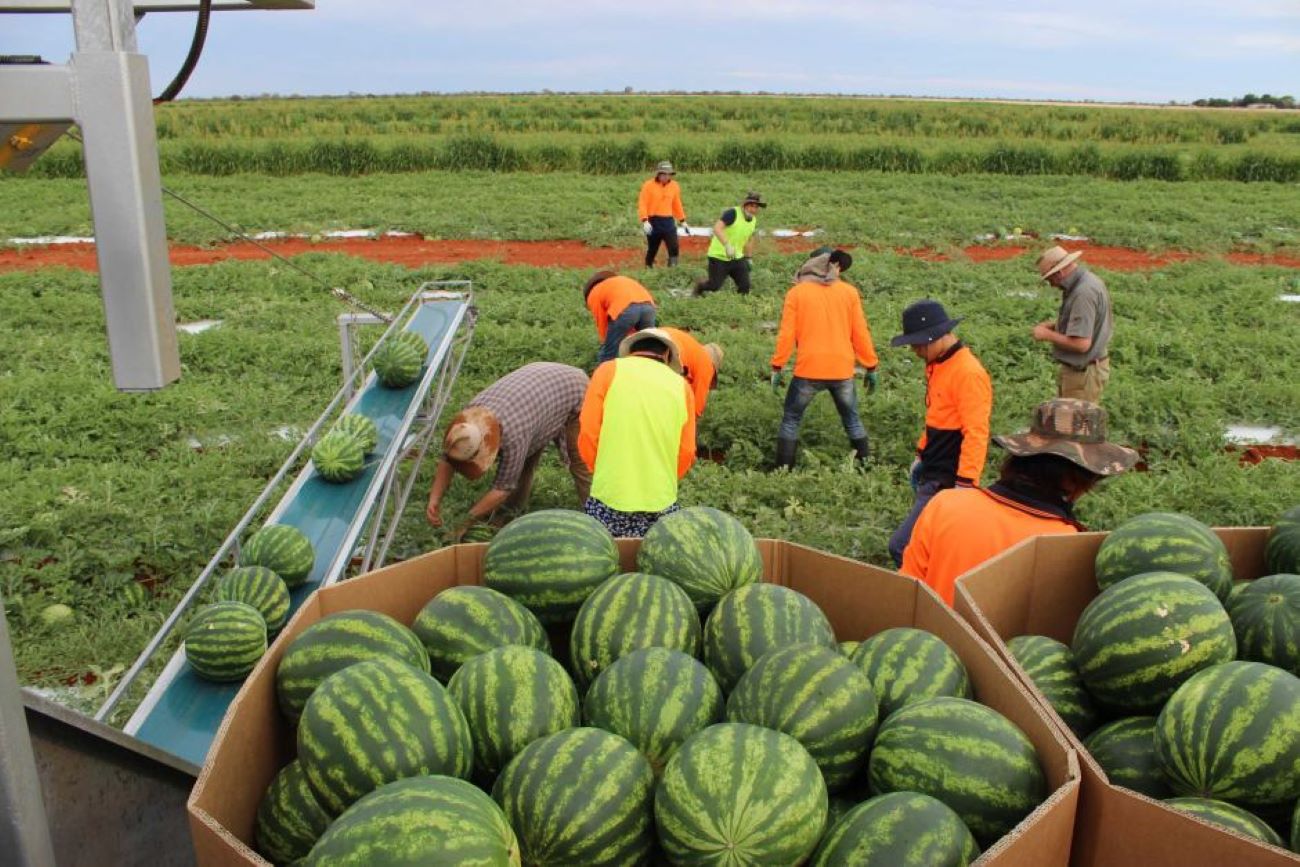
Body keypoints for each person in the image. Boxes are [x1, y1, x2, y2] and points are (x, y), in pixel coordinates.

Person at [900, 398, 1138, 605]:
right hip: (1001, 658)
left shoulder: (946, 504)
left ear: (1019, 459)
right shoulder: (1065, 545)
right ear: (1077, 480)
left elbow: (906, 592)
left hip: (929, 650)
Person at [426, 362, 592, 538]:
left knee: (581, 462)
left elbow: (502, 488)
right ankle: (511, 512)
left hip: (573, 389)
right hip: (537, 393)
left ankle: (597, 519)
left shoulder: (513, 436)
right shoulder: (467, 421)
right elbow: (448, 459)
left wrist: (466, 521)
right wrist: (434, 499)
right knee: (523, 462)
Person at [887, 299, 993, 566]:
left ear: (935, 337)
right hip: (933, 470)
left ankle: (928, 596)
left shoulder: (968, 373)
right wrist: (921, 453)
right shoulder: (940, 364)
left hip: (947, 478)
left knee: (902, 547)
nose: (914, 351)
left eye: (917, 344)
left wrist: (965, 484)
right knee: (930, 545)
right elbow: (937, 415)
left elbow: (976, 432)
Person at [578, 328, 696, 537]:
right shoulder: (682, 386)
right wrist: (664, 477)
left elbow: (588, 432)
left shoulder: (608, 371)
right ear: (667, 355)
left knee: (605, 556)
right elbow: (686, 451)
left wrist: (602, 470)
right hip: (660, 498)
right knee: (652, 560)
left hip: (611, 493)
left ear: (631, 351)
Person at [769, 247, 879, 469]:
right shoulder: (849, 293)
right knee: (853, 421)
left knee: (791, 420)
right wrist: (871, 365)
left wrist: (777, 366)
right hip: (842, 369)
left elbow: (786, 334)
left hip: (809, 369)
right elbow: (860, 332)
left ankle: (782, 472)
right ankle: (867, 470)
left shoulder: (797, 293)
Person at [1032, 245, 1114, 403]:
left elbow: (1081, 344)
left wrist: (1047, 335)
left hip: (1083, 375)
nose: (1051, 285)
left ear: (1059, 273)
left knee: (1075, 425)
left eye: (1050, 279)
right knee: (1068, 422)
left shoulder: (1083, 293)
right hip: (1082, 372)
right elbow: (1088, 323)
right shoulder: (1087, 282)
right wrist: (1057, 325)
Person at [692, 191, 767, 297]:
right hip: (719, 257)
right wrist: (727, 245)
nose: (753, 209)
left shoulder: (753, 220)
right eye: (751, 206)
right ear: (744, 205)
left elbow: (749, 239)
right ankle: (700, 286)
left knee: (745, 286)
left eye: (756, 207)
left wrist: (749, 258)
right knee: (714, 286)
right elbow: (717, 228)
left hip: (737, 258)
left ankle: (740, 307)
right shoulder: (733, 213)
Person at [584, 270, 656, 364]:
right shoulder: (619, 281)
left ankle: (606, 375)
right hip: (648, 307)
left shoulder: (594, 293)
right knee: (648, 348)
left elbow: (602, 322)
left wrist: (605, 343)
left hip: (625, 309)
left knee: (608, 353)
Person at [658, 326, 724, 418]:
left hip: (653, 336)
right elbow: (696, 408)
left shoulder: (692, 352)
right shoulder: (707, 364)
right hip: (669, 349)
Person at [637, 160, 688, 268]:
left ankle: (672, 270)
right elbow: (642, 203)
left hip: (668, 222)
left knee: (674, 247)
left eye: (668, 174)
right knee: (653, 248)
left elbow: (676, 203)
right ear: (658, 174)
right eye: (663, 174)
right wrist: (645, 220)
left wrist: (682, 220)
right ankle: (648, 266)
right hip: (653, 221)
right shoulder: (648, 185)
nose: (666, 176)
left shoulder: (674, 186)